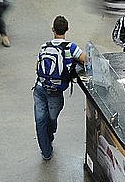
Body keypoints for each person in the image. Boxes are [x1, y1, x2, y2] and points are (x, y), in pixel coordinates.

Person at [32, 15, 86, 161]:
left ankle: (46, 152)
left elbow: (38, 65)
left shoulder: (44, 46)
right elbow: (85, 59)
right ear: (67, 29)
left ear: (52, 29)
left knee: (40, 121)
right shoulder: (71, 47)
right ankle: (49, 137)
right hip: (56, 92)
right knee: (52, 118)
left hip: (39, 88)